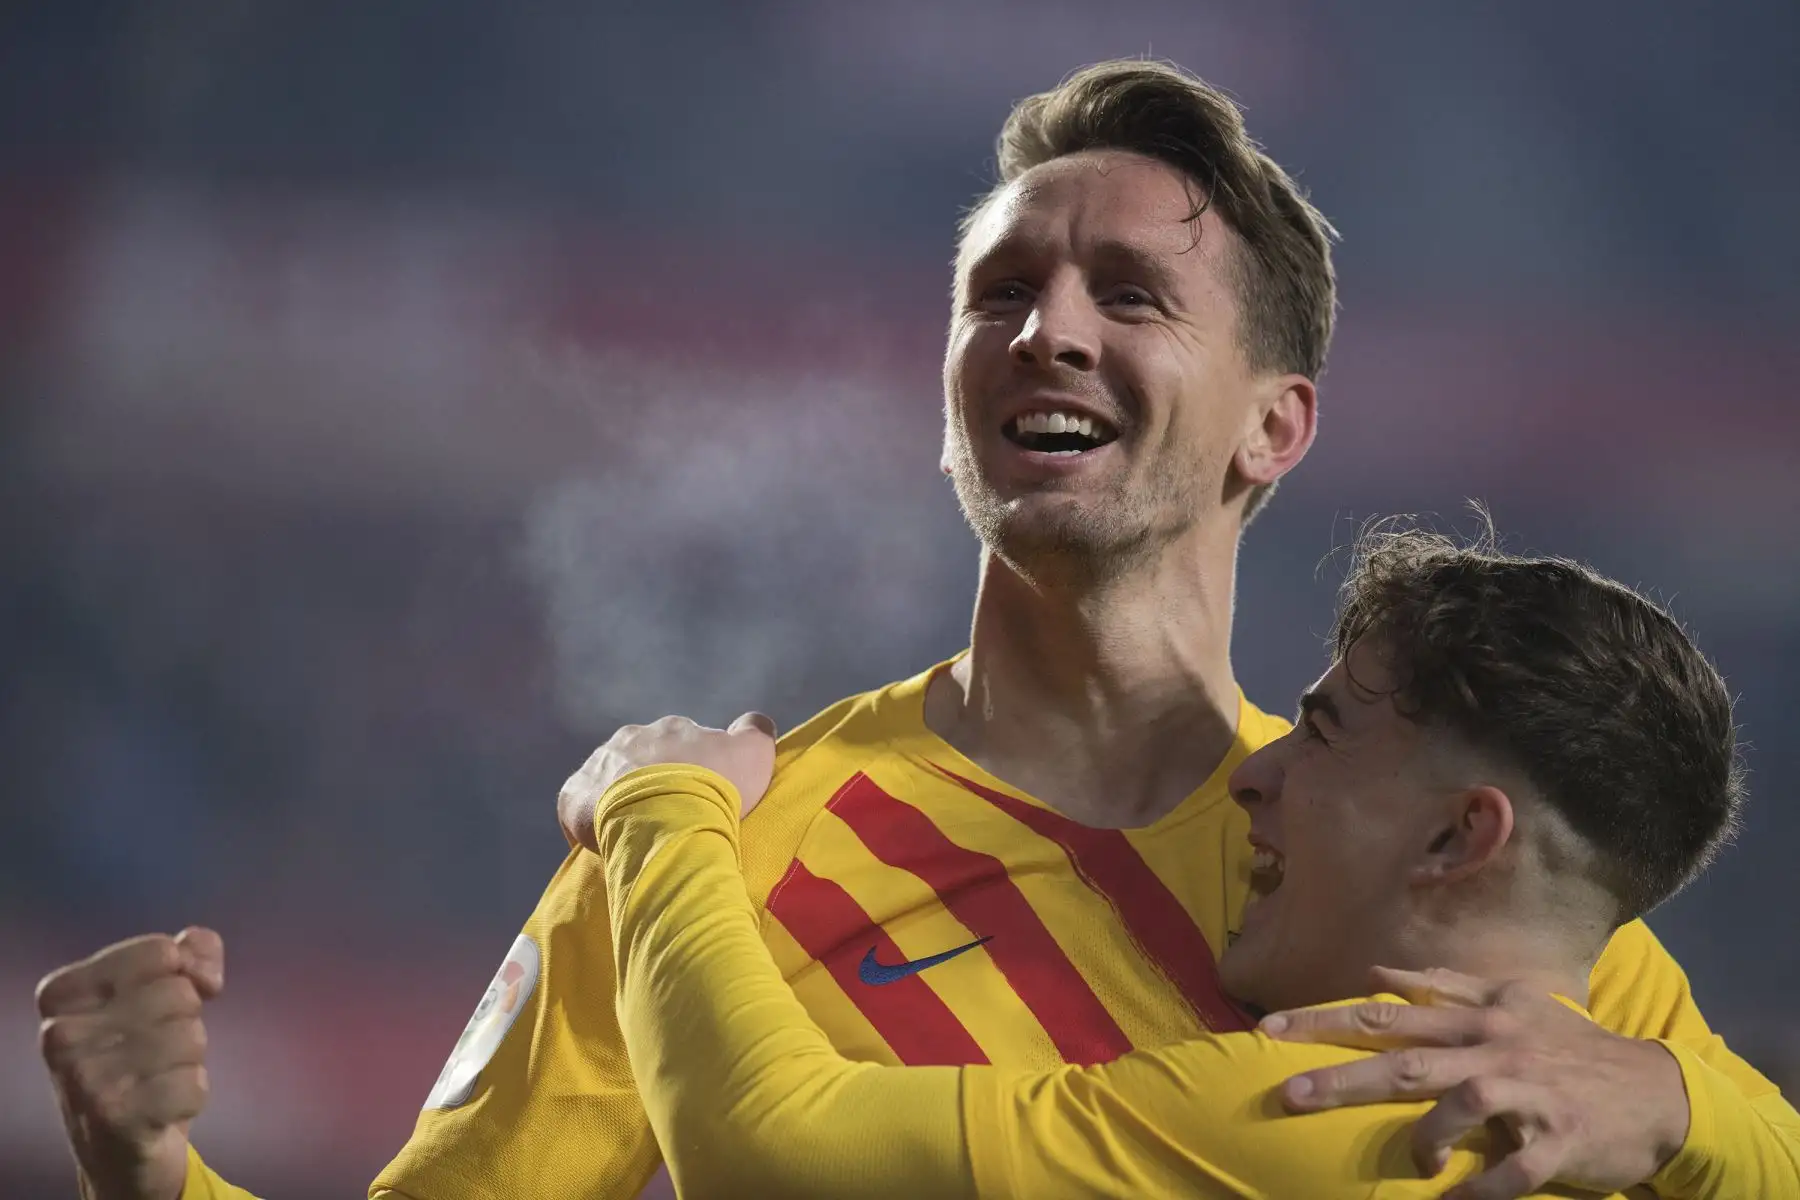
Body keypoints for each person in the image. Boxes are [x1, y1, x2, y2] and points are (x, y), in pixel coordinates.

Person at [30, 59, 1798, 1200]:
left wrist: (1677, 1104)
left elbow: (1755, 1141)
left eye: (1131, 295)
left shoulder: (1428, 882)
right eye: (1000, 294)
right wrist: (148, 1173)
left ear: (1278, 424)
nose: (1048, 332)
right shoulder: (721, 851)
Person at [579, 525, 1800, 1197]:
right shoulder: (1637, 1073)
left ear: (1457, 836)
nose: (1255, 771)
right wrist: (1690, 1109)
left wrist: (662, 812)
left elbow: (767, 1142)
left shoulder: (1330, 1113)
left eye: (1321, 731)